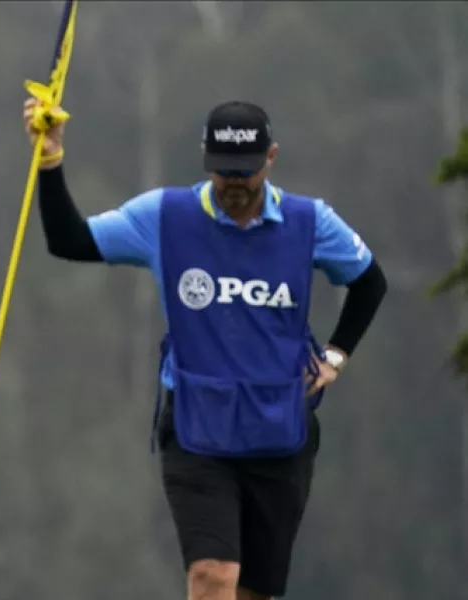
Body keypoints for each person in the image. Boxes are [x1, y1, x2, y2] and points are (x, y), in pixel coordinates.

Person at [22, 97, 388, 600]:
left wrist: (336, 357)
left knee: (253, 592)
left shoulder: (310, 222)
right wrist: (50, 159)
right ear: (204, 159)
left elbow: (369, 282)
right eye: (223, 173)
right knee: (213, 576)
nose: (235, 185)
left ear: (271, 158)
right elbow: (70, 240)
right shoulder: (165, 216)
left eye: (246, 173)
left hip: (281, 431)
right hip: (197, 431)